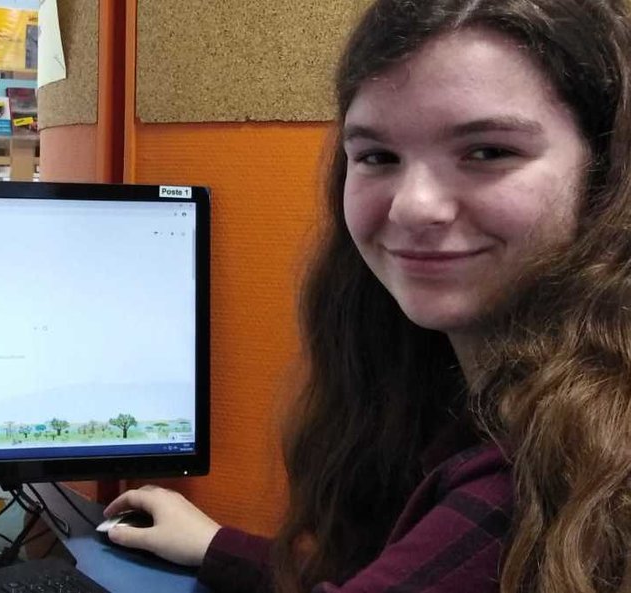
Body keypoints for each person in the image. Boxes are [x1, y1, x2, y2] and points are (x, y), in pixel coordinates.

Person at [102, 1, 631, 592]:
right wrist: (220, 548)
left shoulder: (524, 488)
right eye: (378, 157)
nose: (413, 207)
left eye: (488, 151)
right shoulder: (495, 404)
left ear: (604, 171)